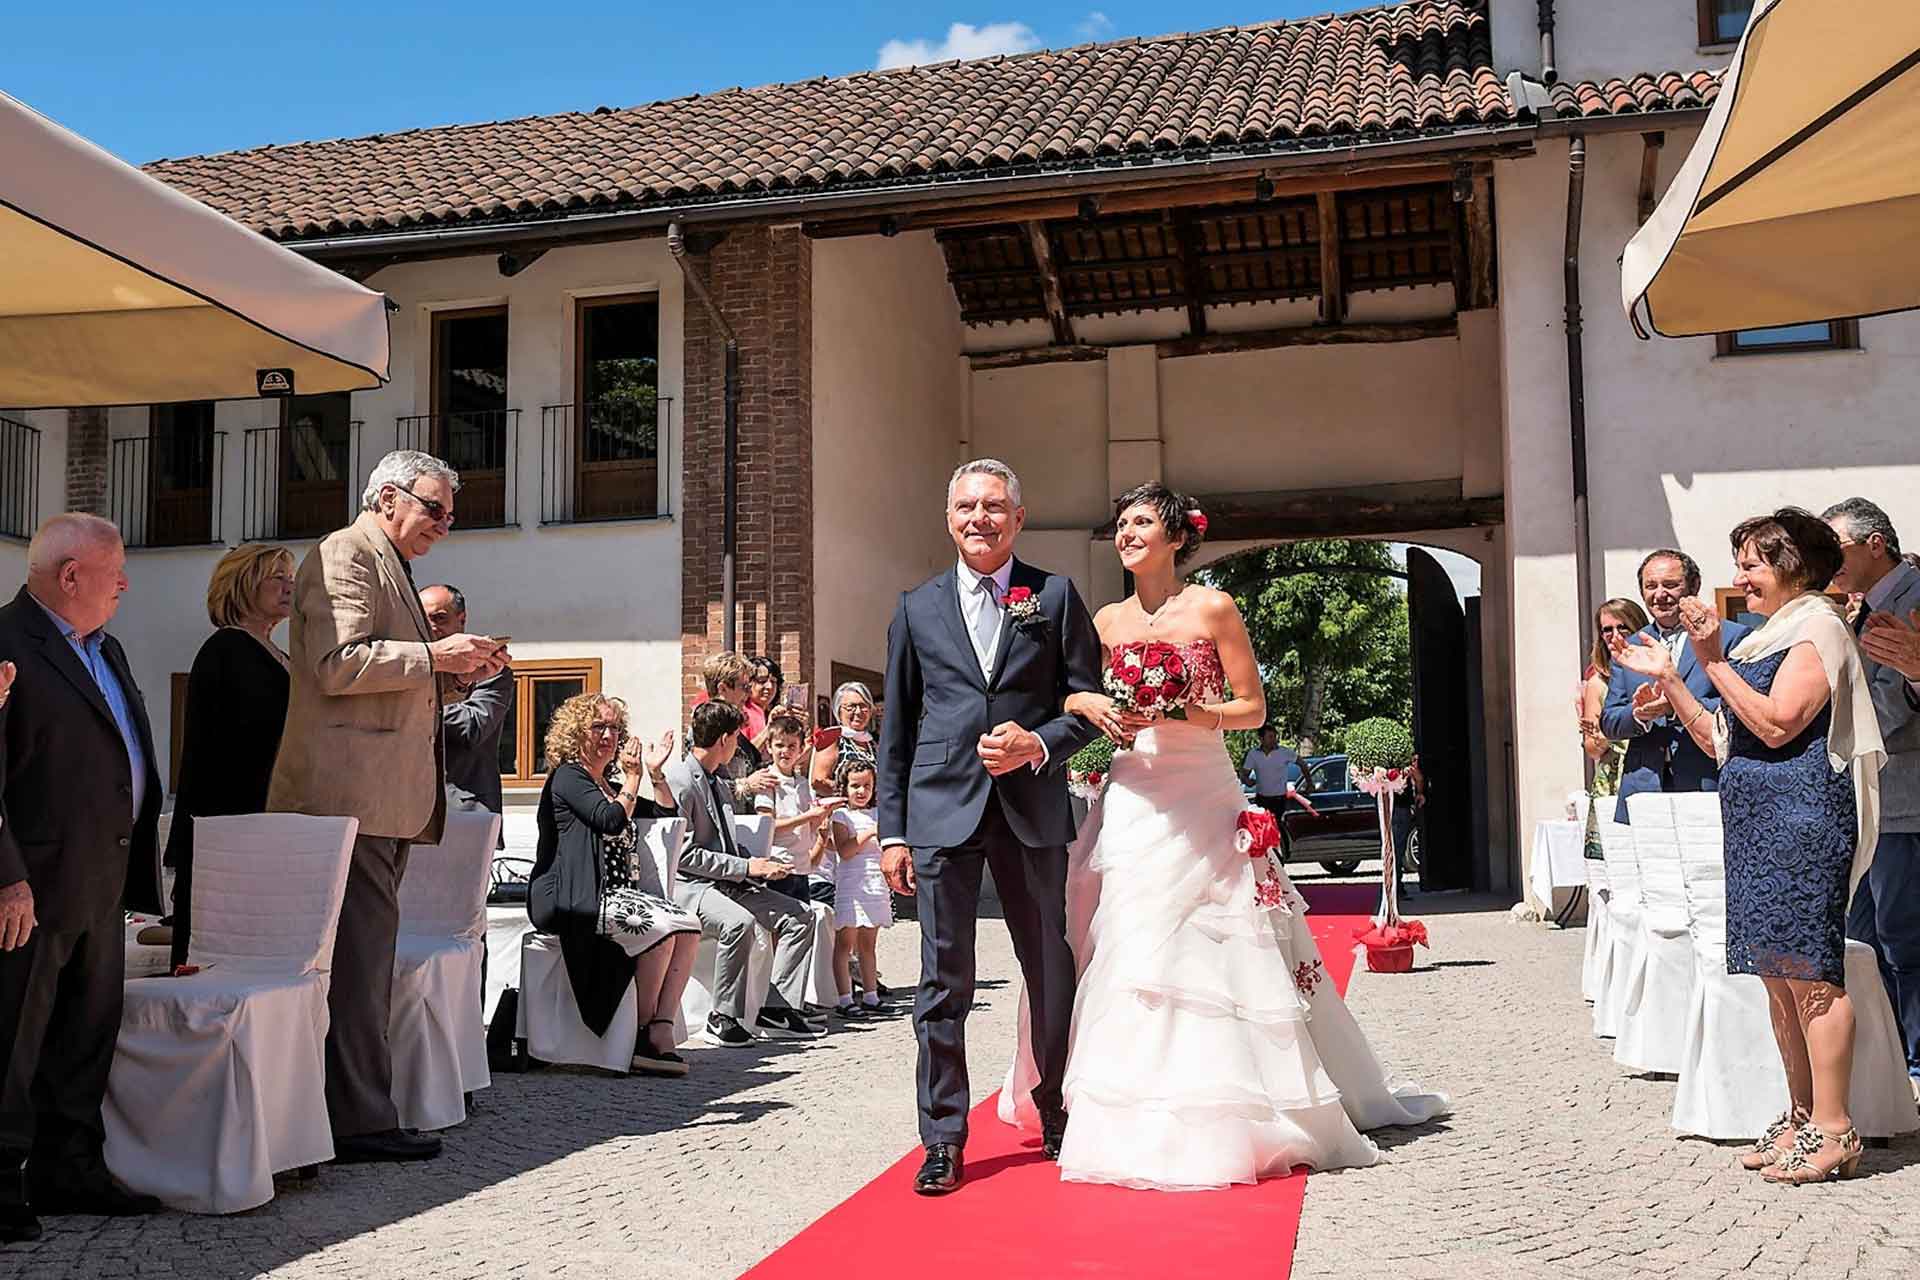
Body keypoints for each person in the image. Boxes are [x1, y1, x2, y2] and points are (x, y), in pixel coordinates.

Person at [998, 482, 1448, 1191]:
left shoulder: (1213, 607)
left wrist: (1185, 709)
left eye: (1142, 522)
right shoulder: (1106, 620)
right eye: (1121, 523)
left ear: (1177, 536)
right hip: (1135, 792)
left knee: (1222, 936)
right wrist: (1091, 702)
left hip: (1203, 789)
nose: (1127, 533)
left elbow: (1252, 707)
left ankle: (1241, 1104)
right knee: (1130, 935)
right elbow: (1071, 694)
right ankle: (1129, 1111)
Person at [1612, 508, 1882, 1183]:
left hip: (1803, 821)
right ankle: (1800, 1116)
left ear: (1792, 566)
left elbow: (1779, 723)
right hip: (1759, 826)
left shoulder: (1817, 627)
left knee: (1811, 974)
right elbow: (1720, 739)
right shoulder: (1770, 636)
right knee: (1778, 976)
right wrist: (1674, 680)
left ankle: (1836, 1128)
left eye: (1751, 564)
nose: (1740, 578)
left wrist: (1709, 658)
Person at [268, 450, 509, 1164]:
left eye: (450, 515)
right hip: (350, 797)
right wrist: (438, 658)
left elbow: (389, 680)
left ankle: (358, 1112)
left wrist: (460, 674)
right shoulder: (347, 553)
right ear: (387, 499)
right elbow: (338, 665)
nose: (444, 524)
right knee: (360, 965)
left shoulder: (388, 562)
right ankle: (360, 1119)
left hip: (382, 799)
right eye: (434, 509)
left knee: (367, 961)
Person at [876, 458, 1104, 1196]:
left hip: (1031, 808)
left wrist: (1038, 742)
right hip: (941, 810)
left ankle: (1055, 1106)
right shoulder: (915, 608)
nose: (981, 517)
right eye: (968, 506)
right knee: (943, 981)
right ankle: (943, 1137)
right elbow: (897, 730)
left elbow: (1087, 704)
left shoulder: (1054, 596)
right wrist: (892, 831)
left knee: (1049, 966)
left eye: (995, 506)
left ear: (1019, 518)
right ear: (950, 519)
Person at [0, 514, 164, 1241]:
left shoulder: (107, 646)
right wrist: (6, 877)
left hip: (101, 878)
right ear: (71, 576)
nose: (125, 582)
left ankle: (69, 1171)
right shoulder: (8, 642)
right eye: (115, 569)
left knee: (85, 1037)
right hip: (29, 889)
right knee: (12, 1041)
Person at [530, 693, 698, 1076]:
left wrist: (654, 773)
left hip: (618, 896)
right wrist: (633, 779)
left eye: (614, 728)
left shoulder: (608, 783)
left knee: (688, 927)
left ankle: (660, 1028)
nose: (608, 735)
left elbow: (665, 814)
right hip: (575, 898)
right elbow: (609, 820)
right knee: (660, 933)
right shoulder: (569, 777)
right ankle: (638, 1035)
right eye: (598, 727)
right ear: (576, 733)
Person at [1826, 498, 1920, 1094]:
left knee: (1904, 939)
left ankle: (1914, 1064)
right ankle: (1887, 1066)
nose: (1826, 560)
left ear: (1875, 543)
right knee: (1869, 939)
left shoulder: (1912, 600)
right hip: (1873, 802)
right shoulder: (1865, 606)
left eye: (1835, 547)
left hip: (1905, 801)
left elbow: (1889, 706)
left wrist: (1825, 735)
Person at [165, 543, 295, 969]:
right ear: (243, 585)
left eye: (291, 578)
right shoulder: (227, 650)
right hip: (230, 833)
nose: (289, 587)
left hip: (266, 827)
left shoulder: (278, 654)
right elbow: (237, 748)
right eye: (277, 578)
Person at [663, 700, 820, 1044]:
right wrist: (746, 866)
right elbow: (683, 856)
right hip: (692, 887)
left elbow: (724, 841)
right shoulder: (680, 781)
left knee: (801, 916)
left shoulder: (719, 778)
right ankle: (722, 1017)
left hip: (729, 881)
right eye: (737, 736)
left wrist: (760, 867)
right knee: (738, 923)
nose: (740, 744)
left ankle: (775, 1009)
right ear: (724, 739)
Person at [1602, 549, 1751, 823]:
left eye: (1670, 585)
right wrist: (1640, 714)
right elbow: (1609, 721)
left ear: (1694, 586)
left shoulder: (1730, 636)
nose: (1659, 594)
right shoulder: (1629, 646)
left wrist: (1675, 707)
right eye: (1651, 586)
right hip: (1643, 790)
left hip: (1707, 783)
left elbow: (1742, 708)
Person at [420, 583, 513, 845]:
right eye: (423, 619)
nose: (431, 627)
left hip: (464, 812)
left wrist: (415, 708)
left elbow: (473, 726)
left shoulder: (490, 670)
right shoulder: (414, 670)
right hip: (410, 814)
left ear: (461, 620)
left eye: (440, 618)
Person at [828, 757, 892, 1019]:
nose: (861, 791)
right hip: (852, 886)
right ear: (845, 786)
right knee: (845, 943)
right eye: (855, 785)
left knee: (868, 944)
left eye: (867, 785)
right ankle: (844, 998)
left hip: (875, 884)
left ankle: (870, 995)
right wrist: (869, 833)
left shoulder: (878, 814)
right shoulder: (841, 816)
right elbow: (845, 851)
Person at [755, 709, 840, 903]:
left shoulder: (803, 784)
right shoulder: (767, 779)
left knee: (803, 919)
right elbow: (767, 826)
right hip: (777, 866)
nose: (785, 751)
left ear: (801, 749)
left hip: (801, 868)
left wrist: (822, 817)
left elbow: (809, 827)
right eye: (779, 745)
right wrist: (809, 816)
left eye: (792, 746)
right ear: (769, 747)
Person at [700, 652, 778, 814]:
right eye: (744, 687)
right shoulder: (706, 725)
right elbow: (702, 784)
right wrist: (746, 785)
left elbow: (751, 766)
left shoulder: (732, 725)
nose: (748, 694)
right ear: (722, 688)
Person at [1580, 598, 1649, 770]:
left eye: (1623, 627)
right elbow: (1591, 749)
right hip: (1615, 775)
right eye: (1607, 630)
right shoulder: (1598, 683)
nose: (1615, 635)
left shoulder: (1656, 669)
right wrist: (1604, 737)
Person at [810, 681, 878, 798]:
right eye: (851, 707)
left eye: (863, 706)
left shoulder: (872, 742)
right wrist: (851, 794)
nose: (858, 712)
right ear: (839, 710)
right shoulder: (832, 737)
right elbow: (818, 781)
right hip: (842, 808)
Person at [745, 656, 782, 752]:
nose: (769, 686)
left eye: (773, 681)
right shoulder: (742, 713)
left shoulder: (776, 713)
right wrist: (769, 728)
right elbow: (744, 755)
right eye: (761, 681)